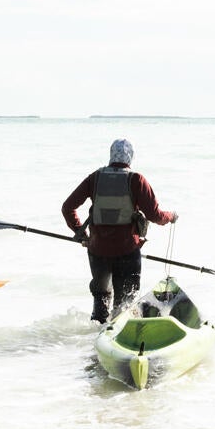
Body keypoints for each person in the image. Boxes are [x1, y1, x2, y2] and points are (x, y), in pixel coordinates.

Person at [61, 138, 177, 324]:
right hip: (127, 252)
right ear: (130, 157)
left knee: (101, 303)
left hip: (97, 252)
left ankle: (94, 343)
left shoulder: (95, 178)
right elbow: (155, 215)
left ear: (110, 155)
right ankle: (119, 341)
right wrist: (171, 216)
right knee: (125, 307)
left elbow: (67, 208)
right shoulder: (136, 180)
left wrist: (82, 235)